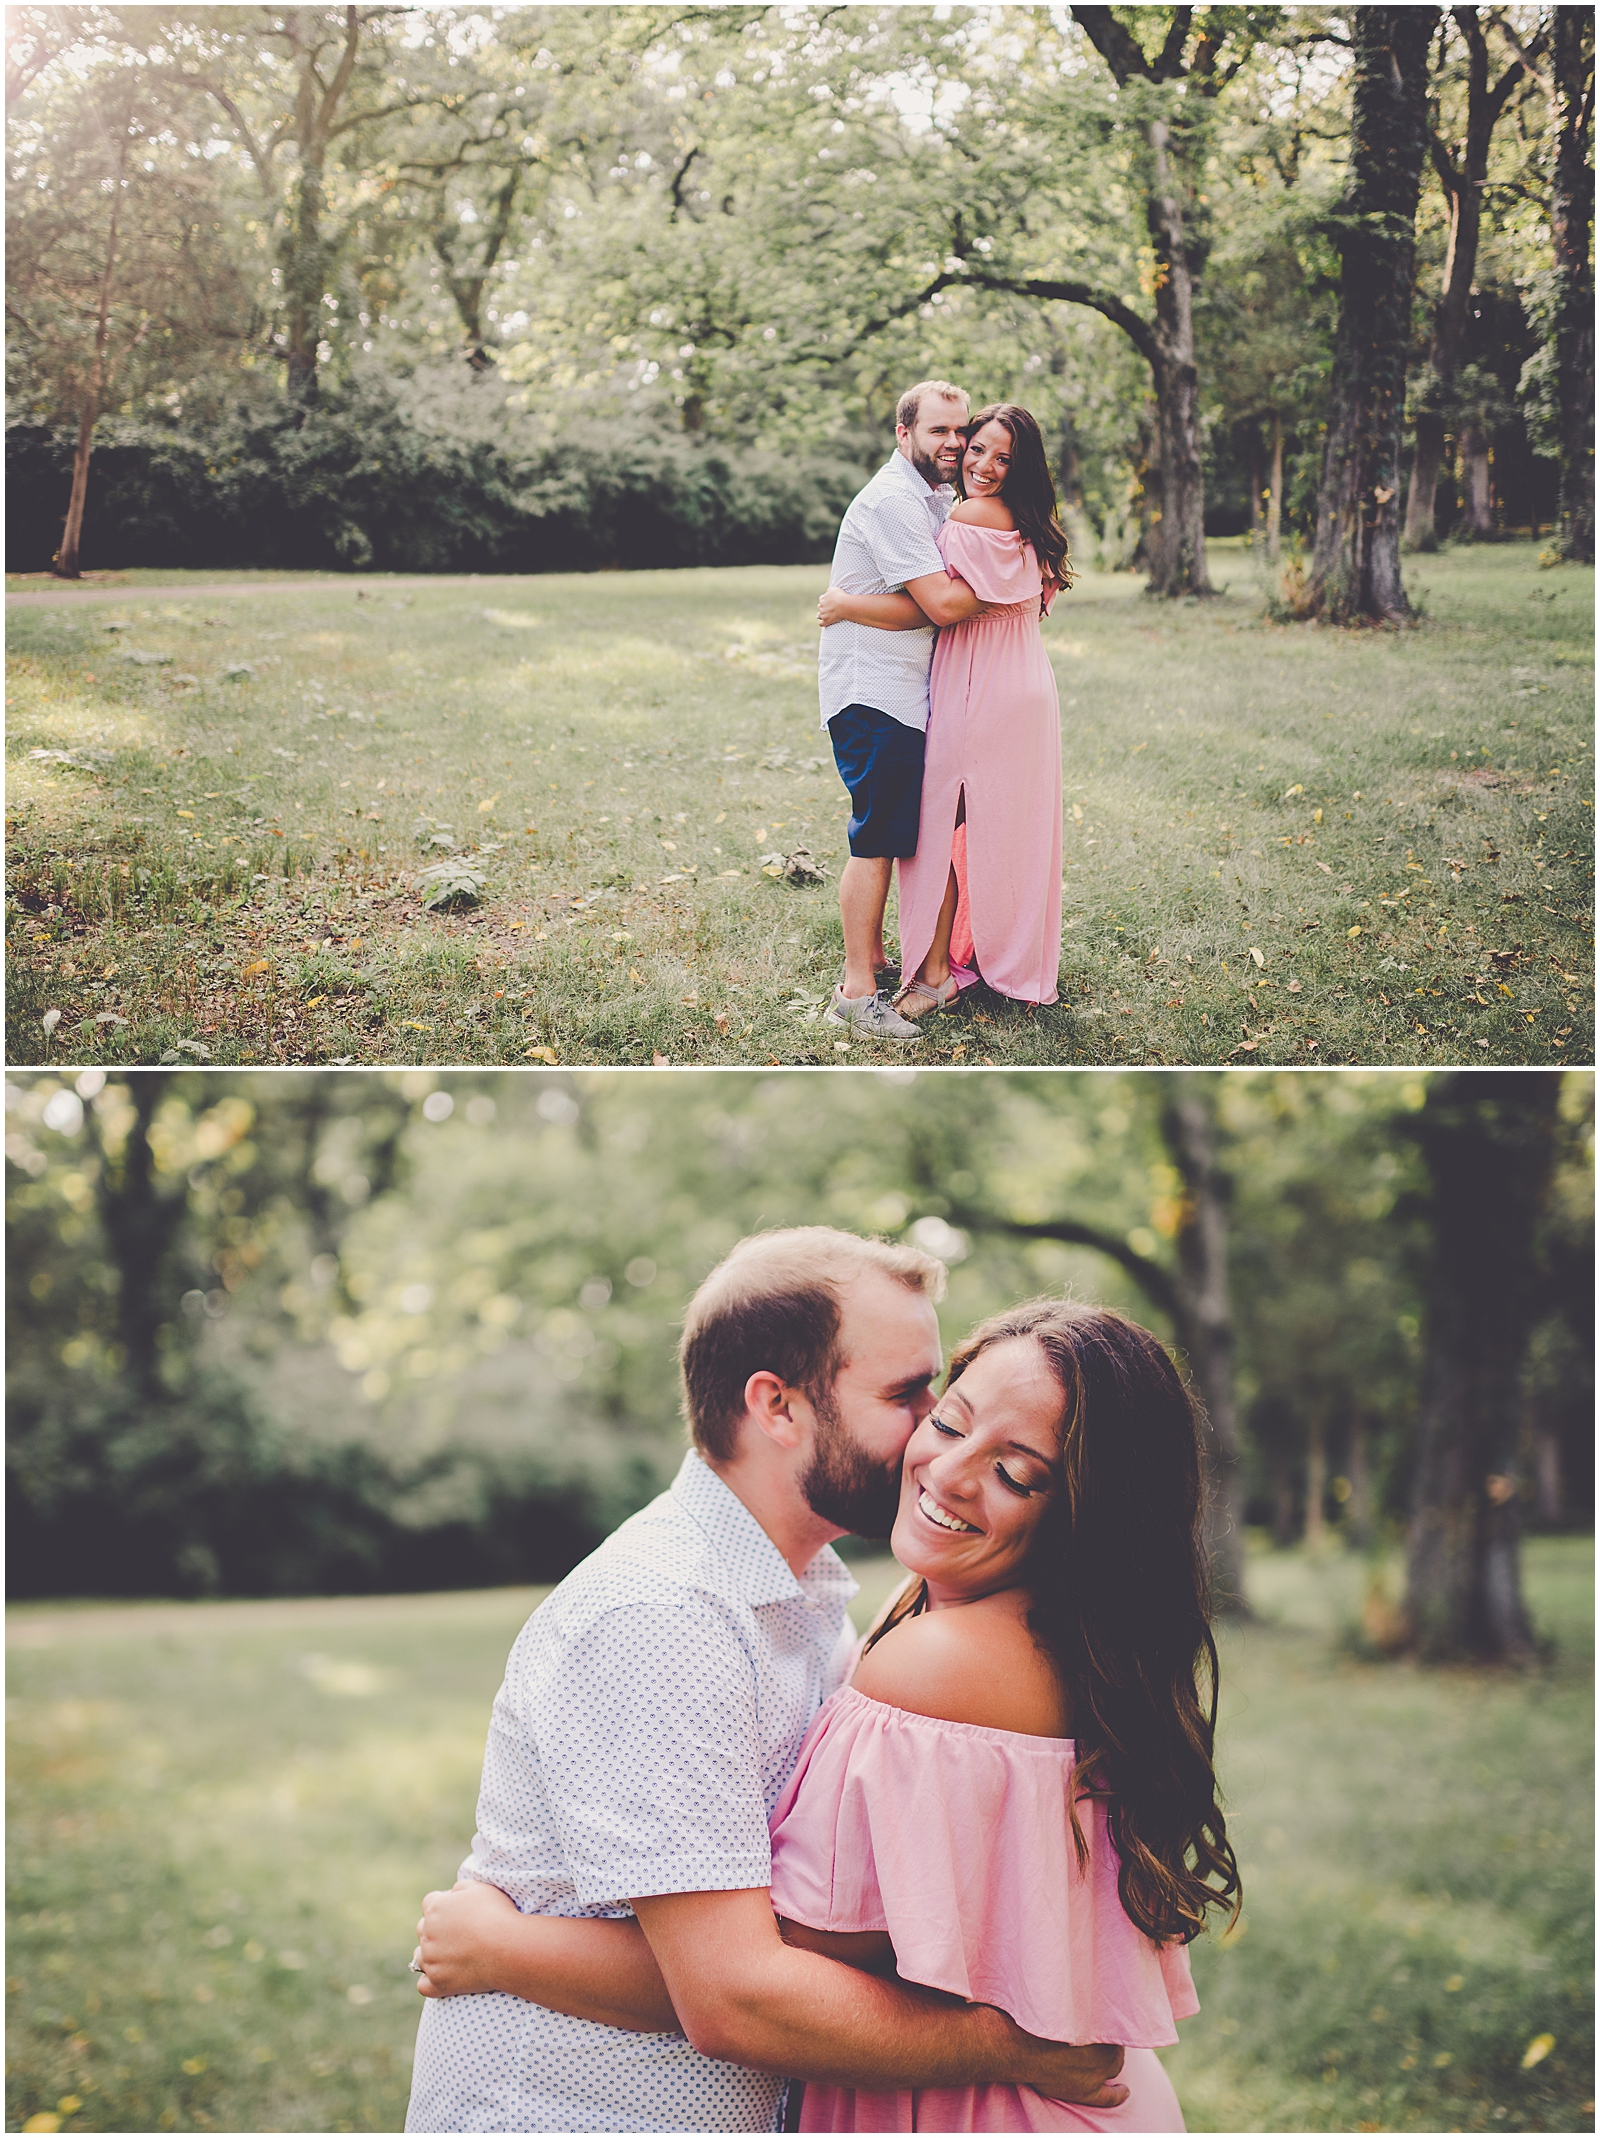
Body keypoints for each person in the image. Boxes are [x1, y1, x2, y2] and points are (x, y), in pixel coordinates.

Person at [405, 1229, 1130, 2134]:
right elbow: (735, 1995)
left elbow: (832, 1931)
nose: (933, 1433)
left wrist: (504, 1949)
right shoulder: (661, 1616)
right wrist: (1007, 2048)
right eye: (907, 1393)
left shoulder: (812, 1598)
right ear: (778, 1408)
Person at [818, 404, 1071, 1017]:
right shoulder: (1026, 521)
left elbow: (944, 605)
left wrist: (844, 604)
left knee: (936, 827)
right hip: (1022, 681)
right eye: (973, 446)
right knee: (997, 828)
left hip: (977, 685)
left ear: (1022, 466)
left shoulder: (967, 513)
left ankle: (932, 976)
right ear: (905, 433)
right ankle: (978, 960)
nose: (979, 463)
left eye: (1000, 457)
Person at [816, 380, 993, 1047]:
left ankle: (915, 961)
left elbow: (928, 600)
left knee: (912, 831)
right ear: (904, 435)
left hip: (911, 693)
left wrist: (848, 601)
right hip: (874, 694)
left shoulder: (938, 497)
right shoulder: (894, 500)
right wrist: (1004, 592)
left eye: (959, 431)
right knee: (879, 837)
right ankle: (857, 992)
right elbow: (941, 605)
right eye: (937, 432)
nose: (952, 443)